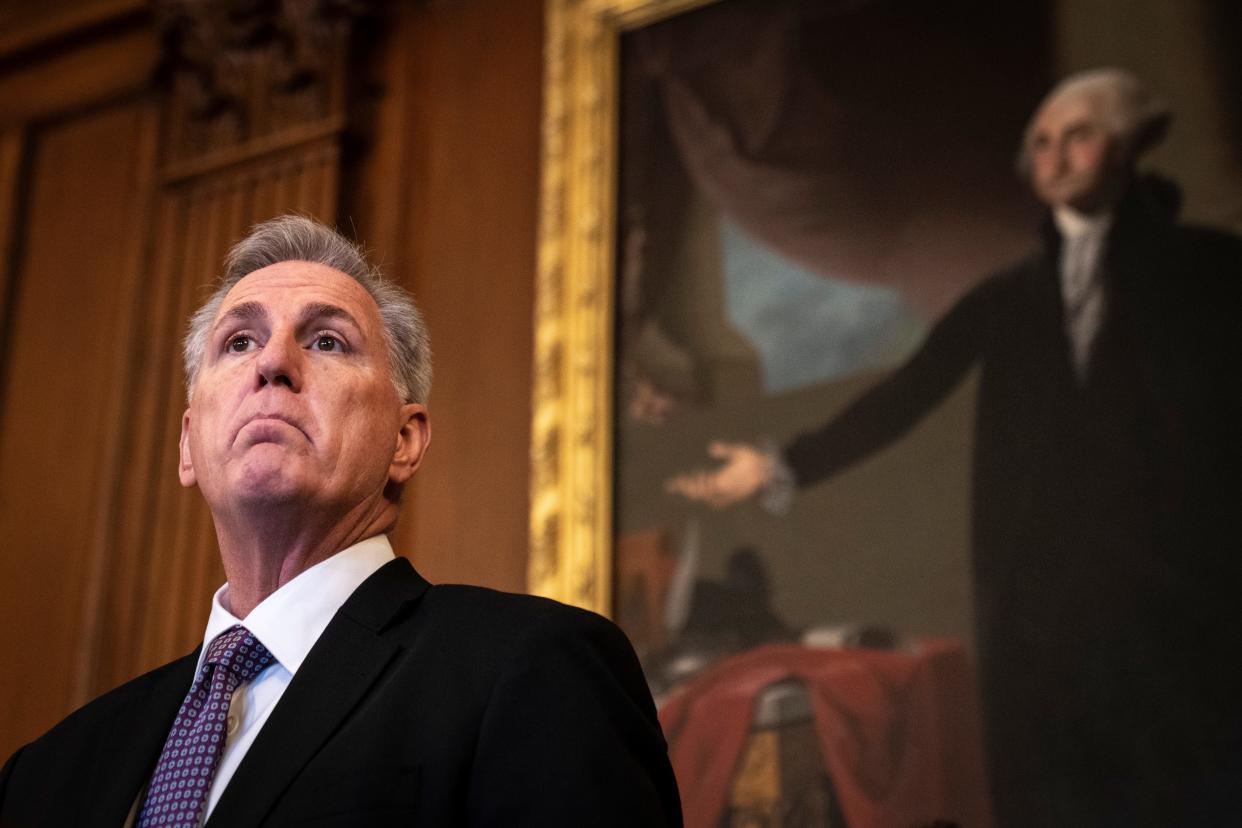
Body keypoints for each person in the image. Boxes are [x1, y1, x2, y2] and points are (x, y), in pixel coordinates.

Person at [669, 68, 1242, 825]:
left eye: (1079, 136)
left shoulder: (1211, 269)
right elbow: (904, 396)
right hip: (1045, 600)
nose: (1057, 156)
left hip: (1180, 587)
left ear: (1131, 143)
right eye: (1041, 143)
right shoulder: (1007, 296)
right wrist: (781, 464)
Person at [0, 216, 682, 827]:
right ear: (187, 444)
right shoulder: (46, 773)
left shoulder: (532, 670)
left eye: (327, 341)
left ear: (405, 441)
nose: (272, 363)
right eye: (238, 342)